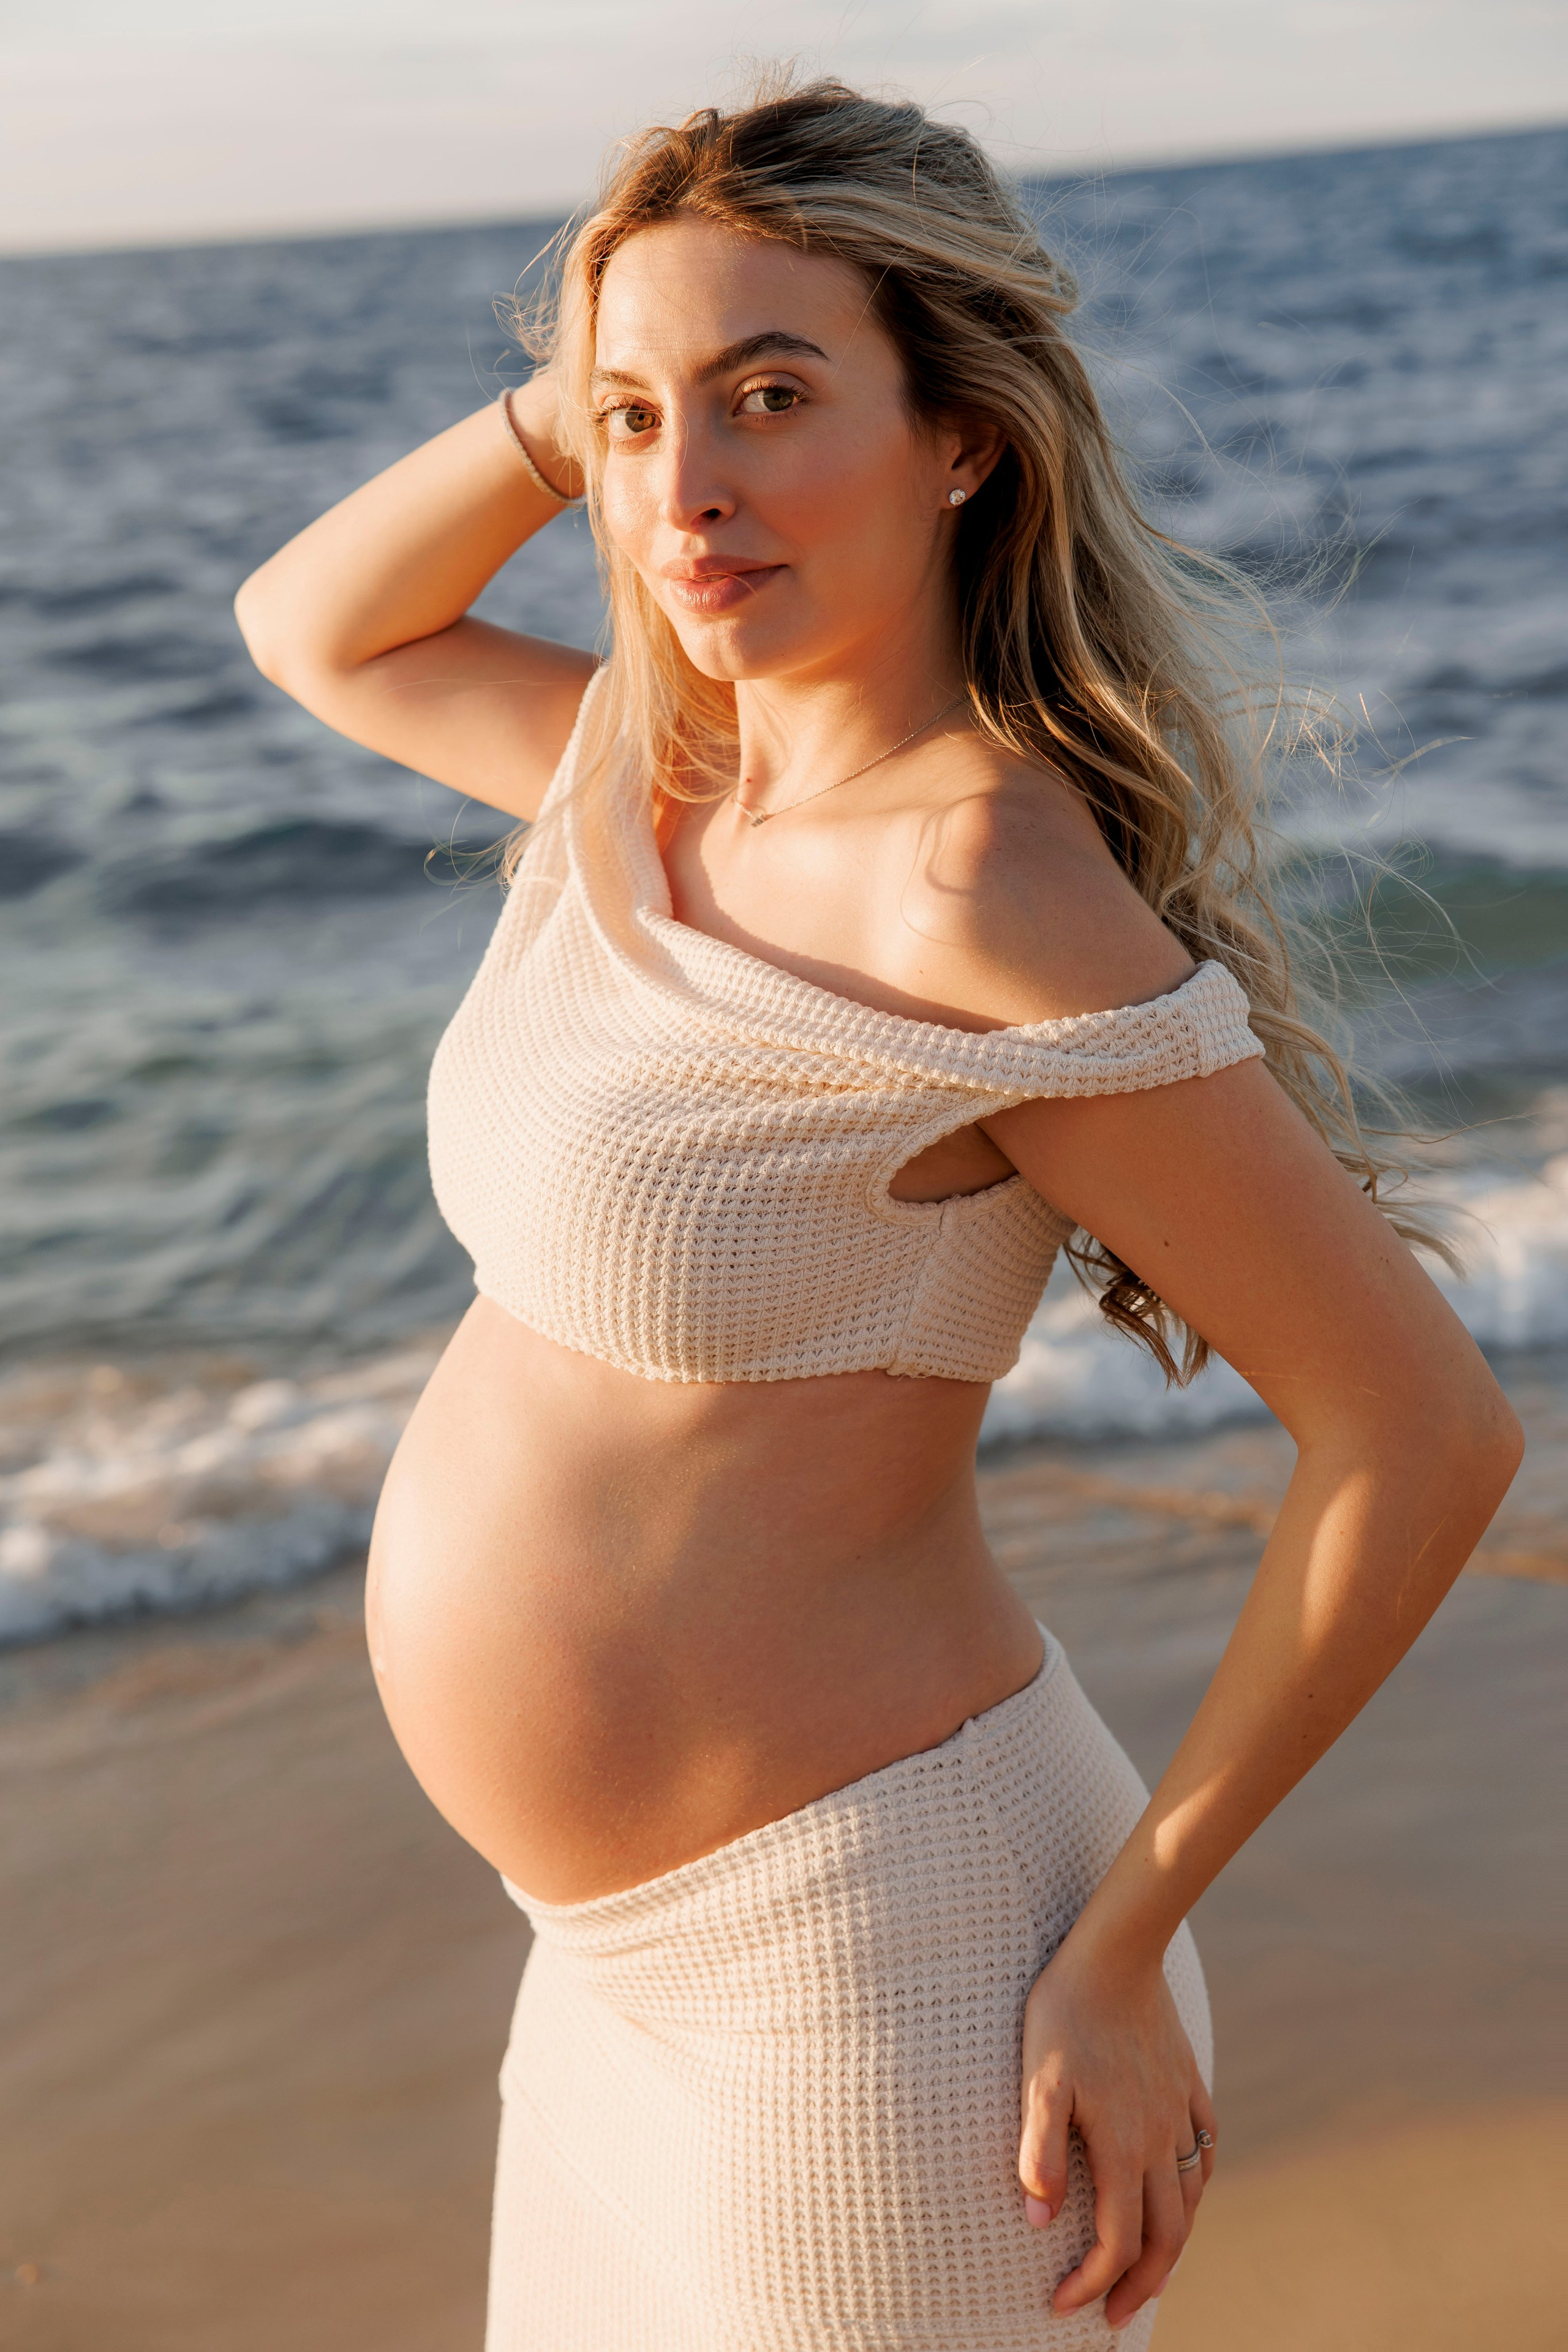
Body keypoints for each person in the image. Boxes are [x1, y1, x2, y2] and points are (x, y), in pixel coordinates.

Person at [233, 77, 1521, 2351]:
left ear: (963, 437)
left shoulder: (977, 882)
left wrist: (1123, 1944)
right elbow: (315, 627)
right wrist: (595, 385)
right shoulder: (648, 775)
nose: (688, 488)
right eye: (640, 424)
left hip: (884, 1981)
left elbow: (1421, 1434)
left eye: (774, 396)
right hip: (610, 1974)